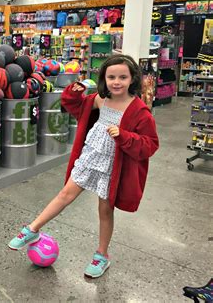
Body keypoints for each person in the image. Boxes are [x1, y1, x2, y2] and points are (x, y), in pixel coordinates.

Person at [8, 54, 159, 278]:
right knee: (66, 193)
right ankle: (32, 229)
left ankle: (102, 255)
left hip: (113, 165)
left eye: (123, 77)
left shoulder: (139, 110)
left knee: (105, 210)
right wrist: (74, 91)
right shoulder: (101, 99)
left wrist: (124, 136)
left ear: (132, 79)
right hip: (91, 154)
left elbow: (150, 144)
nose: (116, 82)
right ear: (104, 79)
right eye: (111, 77)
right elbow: (73, 106)